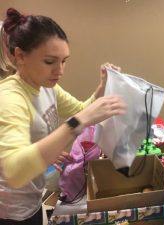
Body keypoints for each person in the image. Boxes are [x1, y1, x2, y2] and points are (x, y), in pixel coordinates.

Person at [0, 8, 127, 225]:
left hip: (32, 196)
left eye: (64, 61)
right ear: (20, 56)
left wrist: (102, 88)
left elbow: (80, 109)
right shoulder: (10, 98)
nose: (60, 71)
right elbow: (15, 171)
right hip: (9, 209)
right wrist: (78, 122)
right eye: (50, 62)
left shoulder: (46, 86)